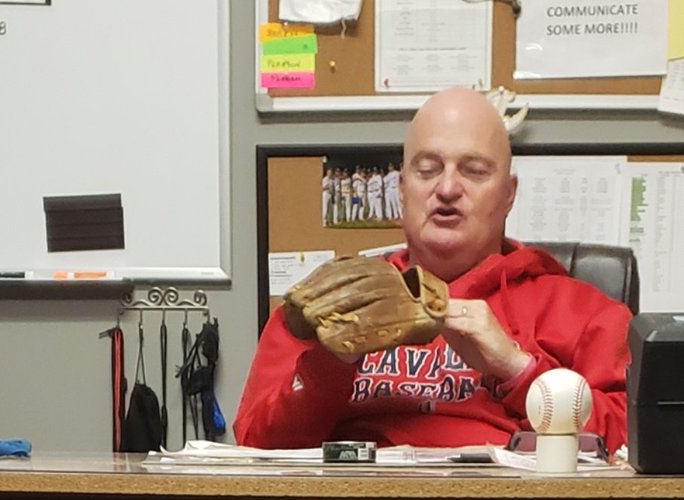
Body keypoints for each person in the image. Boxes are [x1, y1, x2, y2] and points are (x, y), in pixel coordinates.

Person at [234, 87, 630, 457]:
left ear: (508, 195)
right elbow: (255, 447)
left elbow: (635, 443)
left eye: (474, 170)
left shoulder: (584, 312)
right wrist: (331, 365)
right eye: (427, 169)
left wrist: (516, 370)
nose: (447, 188)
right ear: (402, 188)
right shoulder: (332, 301)